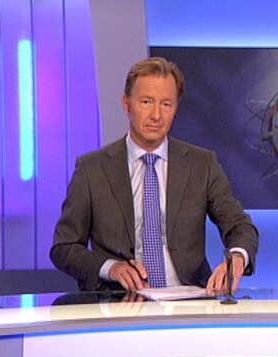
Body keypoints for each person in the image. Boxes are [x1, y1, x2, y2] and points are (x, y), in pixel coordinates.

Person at [51, 57, 259, 295]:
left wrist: (237, 257)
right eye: (146, 102)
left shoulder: (202, 164)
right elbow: (64, 247)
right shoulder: (92, 169)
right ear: (126, 104)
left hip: (189, 299)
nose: (156, 115)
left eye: (166, 104)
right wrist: (110, 268)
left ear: (176, 108)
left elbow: (240, 226)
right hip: (119, 300)